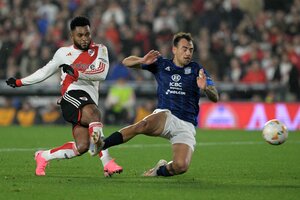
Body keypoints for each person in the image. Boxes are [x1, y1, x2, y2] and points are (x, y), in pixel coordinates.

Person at [6, 16, 122, 177]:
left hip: (88, 101)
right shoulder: (63, 53)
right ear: (71, 35)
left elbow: (101, 73)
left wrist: (76, 72)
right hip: (70, 97)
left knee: (81, 146)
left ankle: (43, 156)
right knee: (95, 114)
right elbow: (44, 72)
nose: (84, 38)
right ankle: (107, 162)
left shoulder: (100, 49)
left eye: (87, 34)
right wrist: (20, 82)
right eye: (80, 35)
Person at [91, 32, 219, 177]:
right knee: (141, 125)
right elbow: (126, 62)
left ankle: (158, 171)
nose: (188, 53)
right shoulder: (161, 64)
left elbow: (215, 97)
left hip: (187, 124)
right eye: (184, 48)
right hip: (166, 114)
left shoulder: (197, 70)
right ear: (174, 50)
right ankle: (102, 144)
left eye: (191, 50)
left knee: (180, 166)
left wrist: (206, 88)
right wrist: (142, 60)